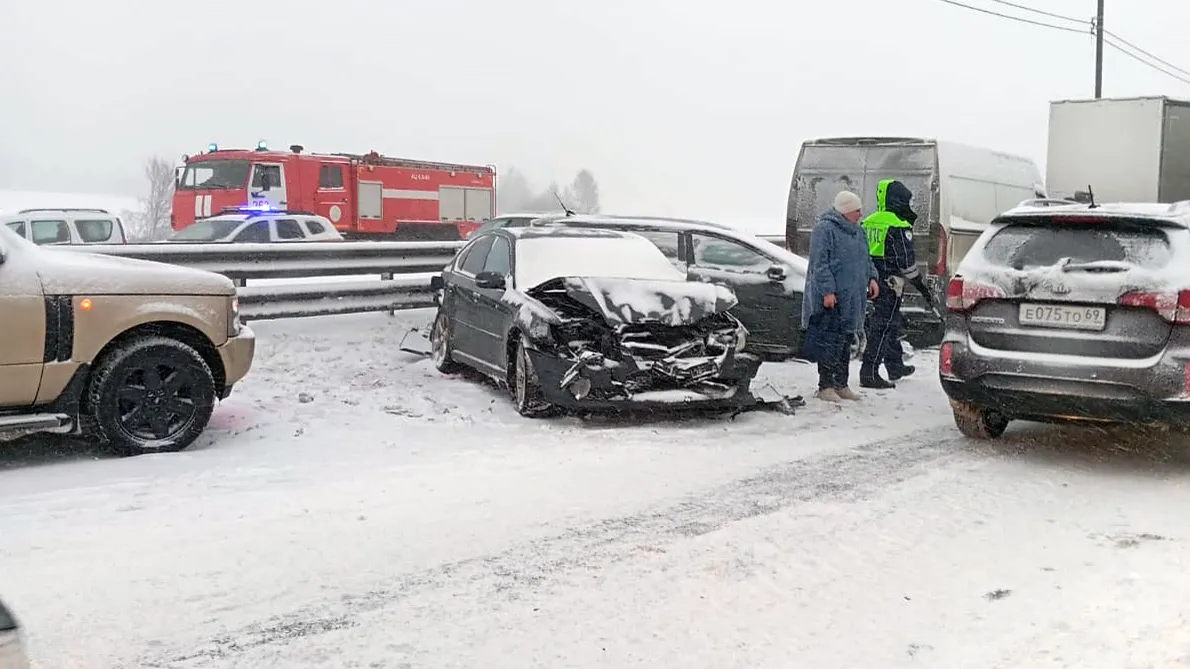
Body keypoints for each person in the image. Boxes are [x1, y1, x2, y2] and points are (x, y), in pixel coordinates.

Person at [802, 190, 880, 403]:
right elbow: (820, 264)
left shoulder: (858, 231)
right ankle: (825, 385)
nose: (861, 214)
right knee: (830, 340)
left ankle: (841, 383)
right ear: (845, 211)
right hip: (832, 299)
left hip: (853, 296)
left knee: (846, 339)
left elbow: (866, 258)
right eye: (857, 210)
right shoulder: (825, 229)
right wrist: (828, 291)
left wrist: (872, 277)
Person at [860, 179, 920, 389]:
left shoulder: (868, 221)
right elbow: (906, 261)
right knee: (883, 327)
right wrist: (919, 283)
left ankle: (895, 365)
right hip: (890, 283)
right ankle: (870, 372)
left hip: (871, 281)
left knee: (888, 324)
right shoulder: (899, 225)